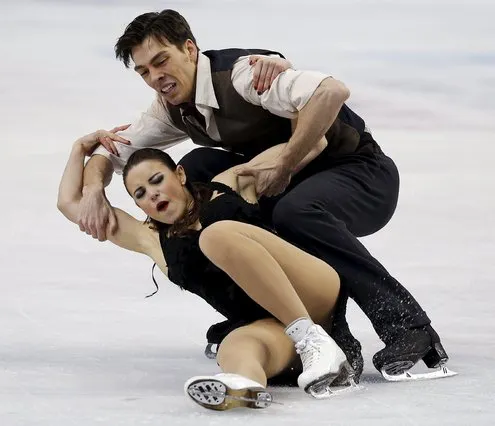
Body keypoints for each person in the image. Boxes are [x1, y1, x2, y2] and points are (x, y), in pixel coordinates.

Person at [74, 9, 451, 380]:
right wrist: (93, 189)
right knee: (198, 168)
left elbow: (332, 91)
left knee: (295, 211)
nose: (156, 77)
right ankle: (257, 310)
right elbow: (110, 152)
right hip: (292, 180)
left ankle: (408, 326)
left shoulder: (244, 74)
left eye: (161, 61)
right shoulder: (170, 109)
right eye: (144, 72)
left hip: (360, 173)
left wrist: (285, 164)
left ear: (190, 50)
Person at [58, 129, 357, 410]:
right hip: (273, 325)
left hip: (314, 290)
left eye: (157, 180)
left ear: (180, 173)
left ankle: (311, 338)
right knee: (235, 345)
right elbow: (70, 202)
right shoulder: (151, 240)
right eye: (140, 193)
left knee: (215, 236)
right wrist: (79, 150)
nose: (152, 194)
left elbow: (314, 143)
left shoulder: (230, 183)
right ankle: (243, 386)